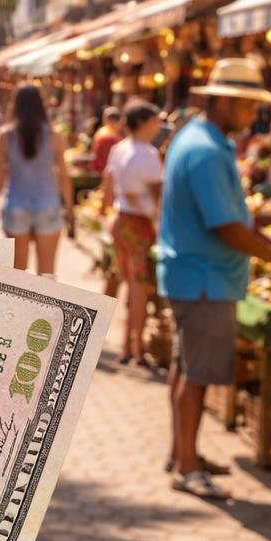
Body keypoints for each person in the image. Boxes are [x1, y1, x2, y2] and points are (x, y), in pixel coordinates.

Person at [158, 59, 271, 500]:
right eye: (246, 105)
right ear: (225, 101)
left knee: (186, 367)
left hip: (195, 273)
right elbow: (225, 225)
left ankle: (182, 453)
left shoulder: (203, 140)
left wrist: (270, 233)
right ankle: (186, 467)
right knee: (195, 374)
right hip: (204, 277)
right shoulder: (204, 149)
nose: (250, 114)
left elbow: (231, 215)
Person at [0, 84, 74, 277]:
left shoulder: (5, 135)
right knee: (47, 275)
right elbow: (64, 176)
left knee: (18, 275)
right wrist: (69, 208)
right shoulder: (55, 135)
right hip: (48, 204)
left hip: (16, 203)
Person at [104, 99, 166, 366]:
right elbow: (159, 199)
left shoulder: (119, 149)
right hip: (139, 226)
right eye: (155, 120)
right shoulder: (147, 155)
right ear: (145, 122)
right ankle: (136, 348)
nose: (158, 125)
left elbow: (108, 184)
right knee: (139, 288)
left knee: (129, 284)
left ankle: (127, 345)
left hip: (120, 222)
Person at [91, 106, 124, 174]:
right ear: (112, 121)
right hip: (106, 172)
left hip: (101, 170)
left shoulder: (101, 131)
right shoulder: (108, 135)